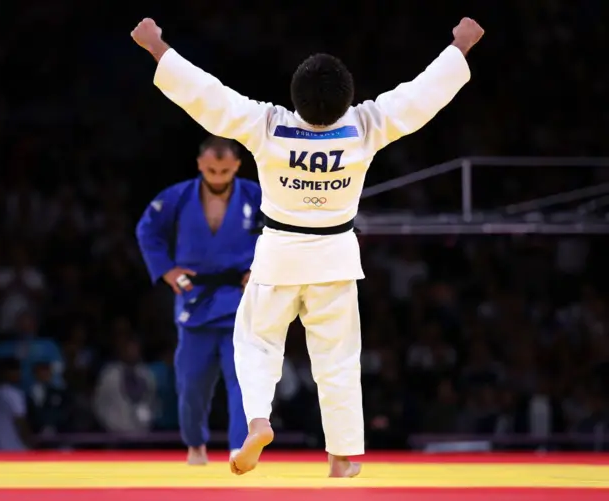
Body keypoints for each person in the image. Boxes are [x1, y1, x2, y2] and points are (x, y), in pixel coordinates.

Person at [131, 16, 484, 477]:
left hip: (279, 254)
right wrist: (459, 47)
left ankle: (257, 422)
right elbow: (418, 98)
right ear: (347, 98)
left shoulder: (269, 125)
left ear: (294, 97)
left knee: (256, 343)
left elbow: (210, 98)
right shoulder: (364, 125)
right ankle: (340, 459)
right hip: (334, 257)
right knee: (336, 360)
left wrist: (158, 47)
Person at [136, 136, 261, 464]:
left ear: (236, 165)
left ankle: (239, 447)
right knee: (191, 383)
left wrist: (260, 270)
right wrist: (166, 270)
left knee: (242, 380)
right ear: (199, 165)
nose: (217, 176)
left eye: (224, 170)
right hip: (195, 299)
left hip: (239, 299)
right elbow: (147, 230)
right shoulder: (177, 197)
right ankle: (195, 444)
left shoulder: (255, 195)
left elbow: (281, 234)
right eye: (210, 169)